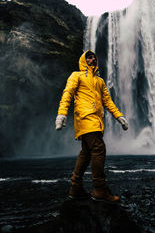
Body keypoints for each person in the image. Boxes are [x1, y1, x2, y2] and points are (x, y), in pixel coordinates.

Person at [55, 50, 128, 202]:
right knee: (99, 148)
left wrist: (119, 116)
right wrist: (62, 113)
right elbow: (67, 93)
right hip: (85, 118)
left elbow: (108, 101)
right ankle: (100, 189)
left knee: (86, 153)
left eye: (94, 56)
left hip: (96, 120)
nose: (92, 58)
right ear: (83, 60)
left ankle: (75, 188)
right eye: (89, 57)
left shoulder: (100, 81)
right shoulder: (77, 75)